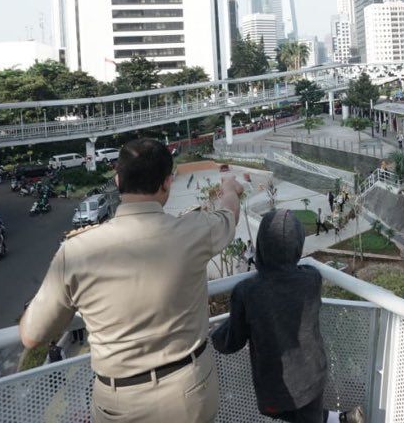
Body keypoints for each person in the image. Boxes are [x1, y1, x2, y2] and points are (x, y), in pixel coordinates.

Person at [19, 137, 242, 423]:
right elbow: (229, 213)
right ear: (167, 183)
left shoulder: (76, 252)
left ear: (117, 180)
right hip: (190, 391)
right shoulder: (194, 231)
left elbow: (32, 336)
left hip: (120, 404)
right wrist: (229, 187)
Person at [212, 210, 366, 423]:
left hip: (276, 388)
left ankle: (339, 419)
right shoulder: (311, 279)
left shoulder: (247, 292)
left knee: (295, 415)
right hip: (313, 377)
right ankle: (340, 419)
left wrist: (212, 333)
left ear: (262, 246)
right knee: (307, 415)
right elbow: (293, 276)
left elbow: (230, 342)